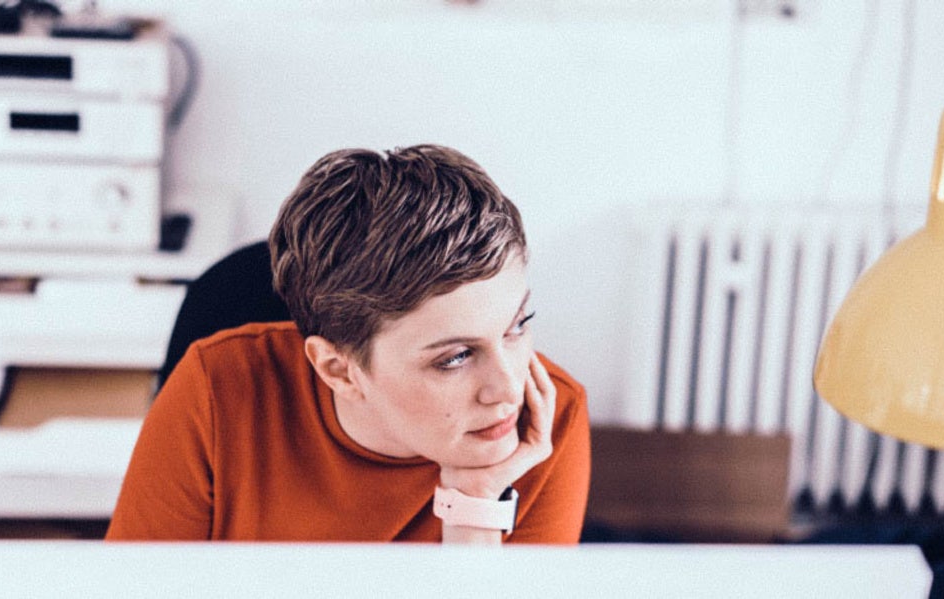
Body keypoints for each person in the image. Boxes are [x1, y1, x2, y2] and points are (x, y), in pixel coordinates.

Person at [106, 144, 590, 544]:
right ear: (338, 370)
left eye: (518, 324)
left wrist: (475, 503)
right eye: (455, 358)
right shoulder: (216, 389)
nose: (507, 388)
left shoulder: (547, 419)